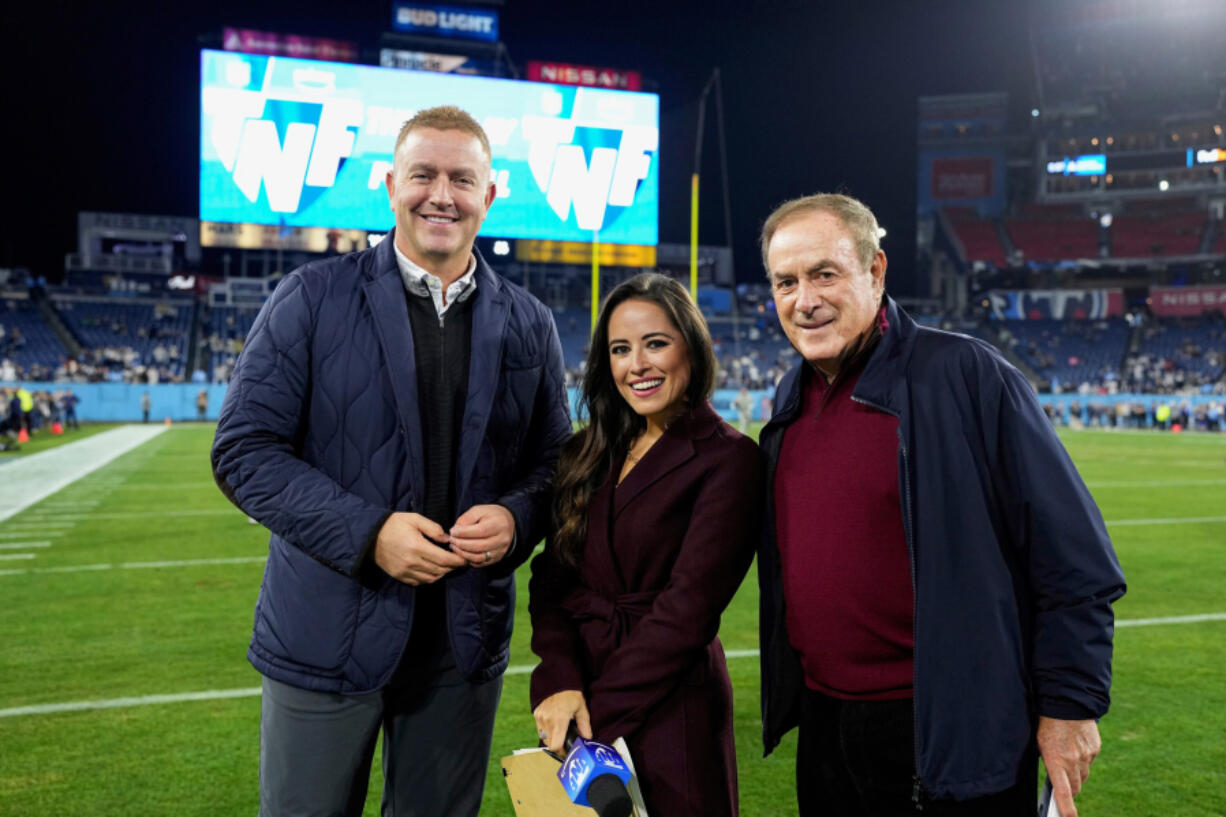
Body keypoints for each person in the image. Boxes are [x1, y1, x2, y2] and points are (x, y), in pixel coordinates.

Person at [211, 105, 571, 817]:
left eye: (462, 179)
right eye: (423, 175)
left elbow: (556, 464)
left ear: (491, 195)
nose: (442, 194)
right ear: (388, 184)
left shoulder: (531, 320)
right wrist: (369, 532)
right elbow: (243, 450)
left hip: (460, 646)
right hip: (324, 634)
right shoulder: (311, 297)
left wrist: (516, 514)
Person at [755, 193, 1126, 817]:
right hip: (826, 725)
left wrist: (1070, 706)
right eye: (785, 281)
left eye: (824, 273)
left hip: (948, 722)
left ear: (875, 271)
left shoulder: (967, 374)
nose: (804, 299)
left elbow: (1073, 558)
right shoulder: (793, 395)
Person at [529, 273, 763, 816]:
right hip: (578, 695)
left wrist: (594, 718)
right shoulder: (588, 450)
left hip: (670, 705)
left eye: (655, 343)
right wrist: (559, 682)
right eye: (620, 349)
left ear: (692, 346)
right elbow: (552, 578)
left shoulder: (729, 460)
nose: (637, 364)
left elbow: (688, 612)